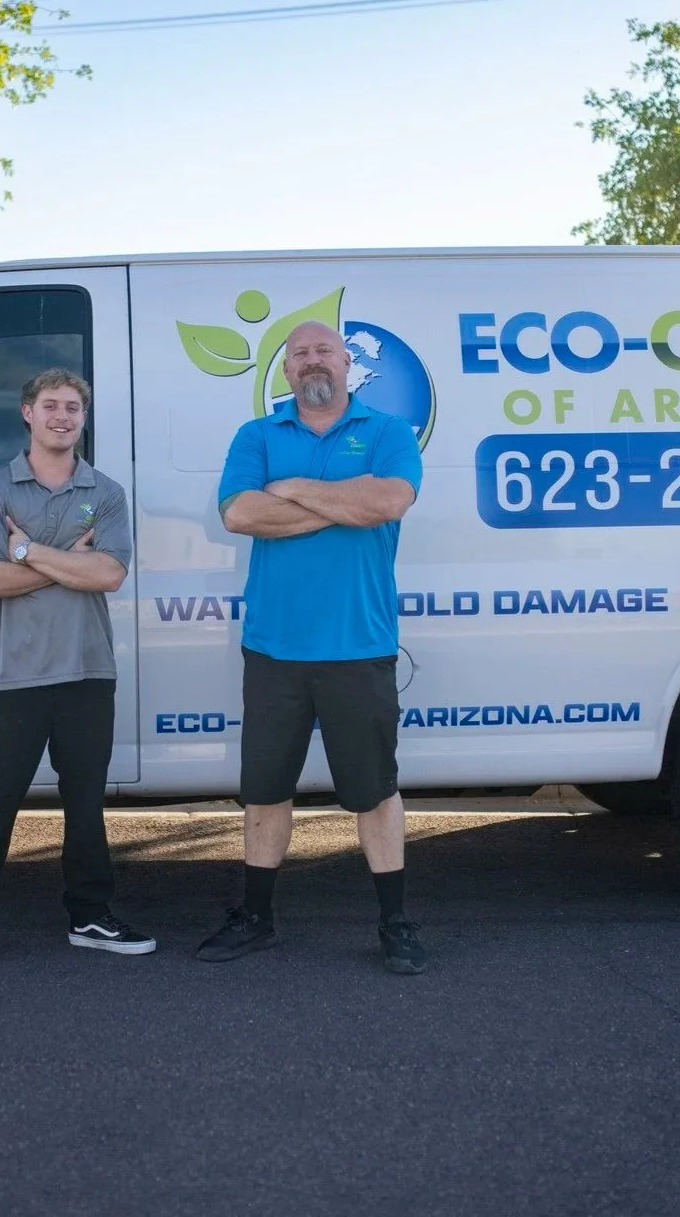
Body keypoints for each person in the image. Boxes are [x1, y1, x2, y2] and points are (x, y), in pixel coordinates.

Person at [196, 320, 425, 973]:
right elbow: (239, 513)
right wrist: (342, 503)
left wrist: (291, 489)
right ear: (287, 370)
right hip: (274, 648)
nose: (311, 359)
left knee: (375, 791)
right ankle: (257, 918)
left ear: (347, 362)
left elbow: (389, 499)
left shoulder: (387, 432)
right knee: (266, 790)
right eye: (299, 353)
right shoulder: (257, 434)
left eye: (323, 349)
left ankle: (395, 922)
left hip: (360, 643)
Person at [0, 369, 154, 970]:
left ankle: (91, 918)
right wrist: (65, 562)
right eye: (50, 405)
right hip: (14, 676)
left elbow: (109, 575)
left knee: (86, 804)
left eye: (72, 408)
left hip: (86, 672)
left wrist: (25, 550)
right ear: (28, 413)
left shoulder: (104, 491)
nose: (61, 416)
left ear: (82, 418)